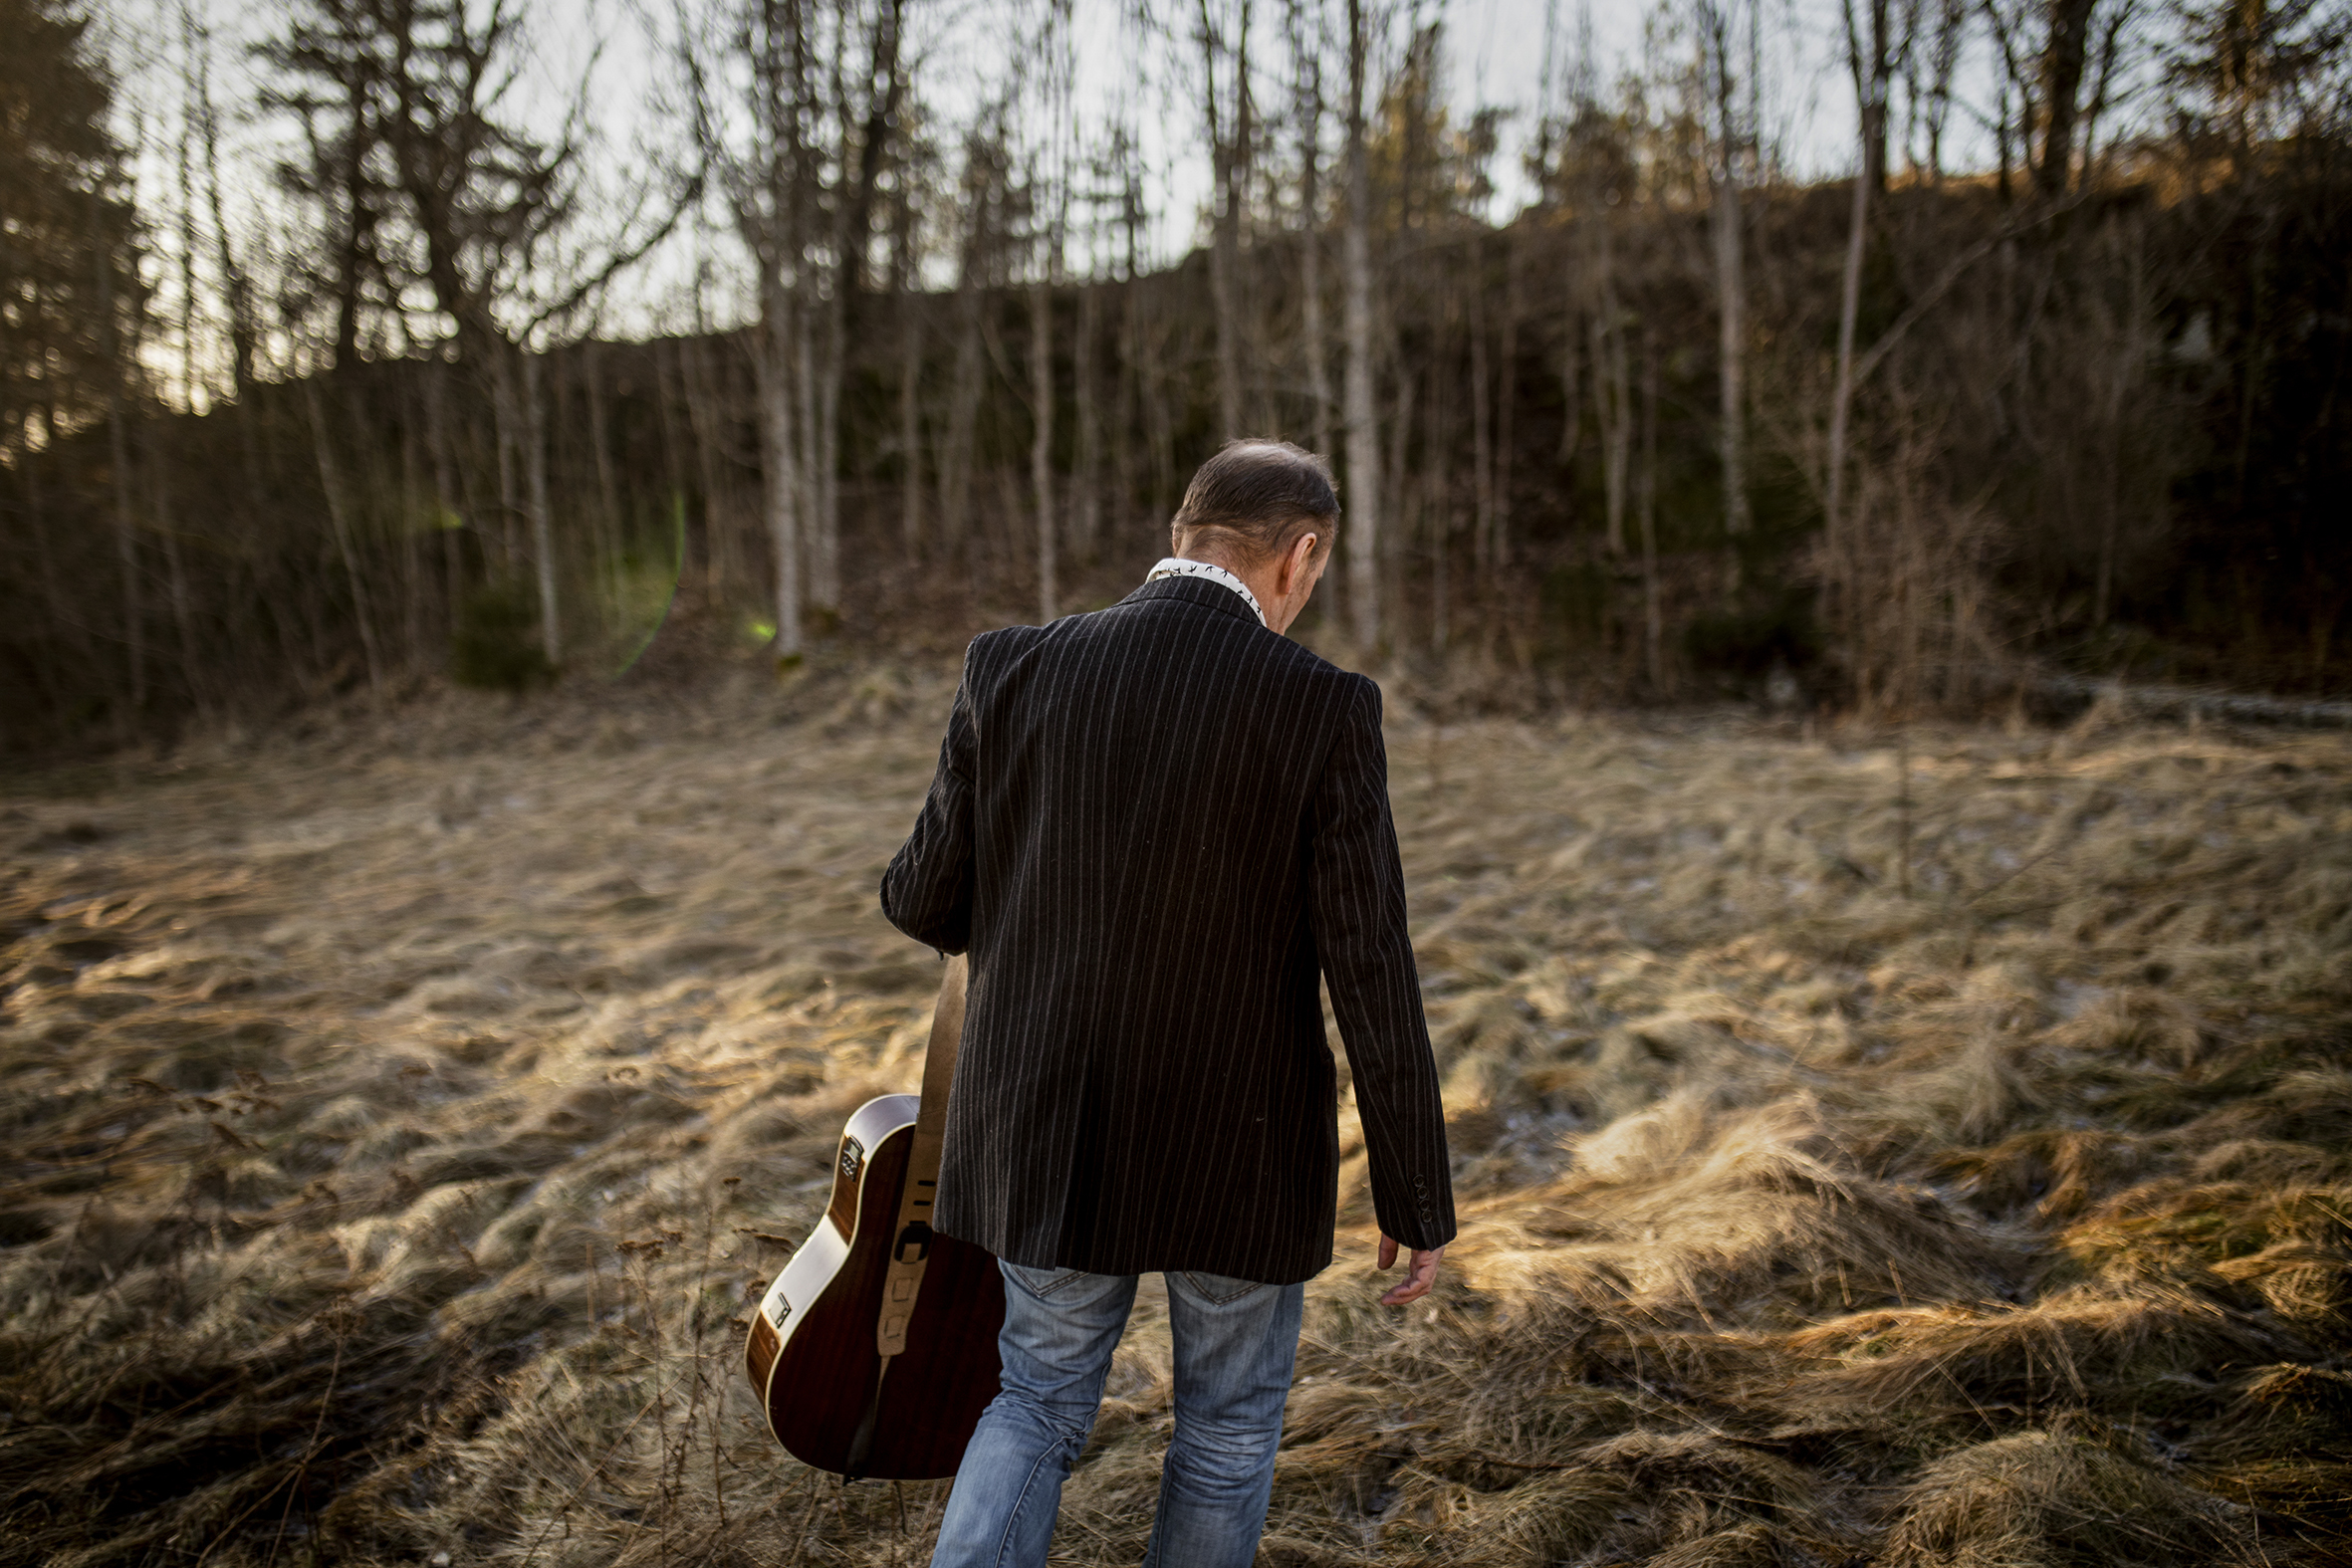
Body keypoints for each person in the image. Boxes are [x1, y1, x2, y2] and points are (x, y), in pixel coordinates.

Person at [879, 438, 1456, 1568]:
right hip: (1234, 1142)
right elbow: (1369, 963)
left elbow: (920, 898)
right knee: (1230, 1431)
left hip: (1045, 1122)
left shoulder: (1010, 666)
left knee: (1035, 1403)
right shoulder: (1322, 705)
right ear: (1299, 556)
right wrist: (1413, 1185)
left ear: (1183, 532)